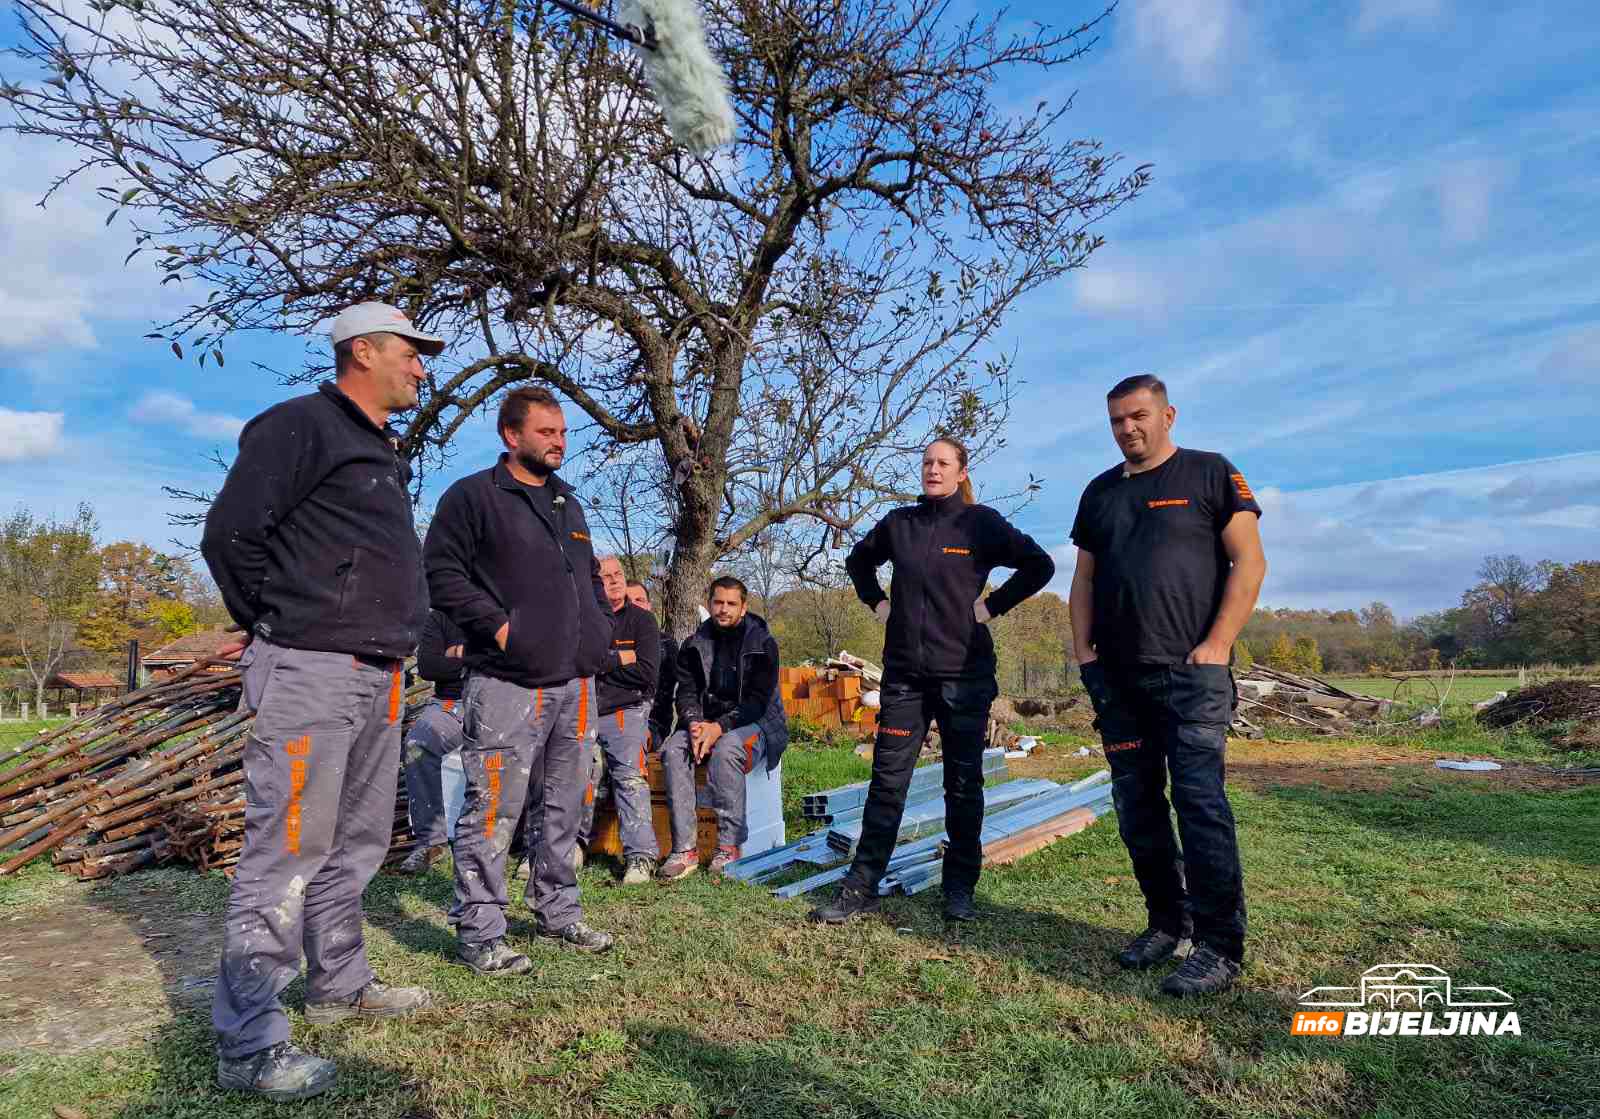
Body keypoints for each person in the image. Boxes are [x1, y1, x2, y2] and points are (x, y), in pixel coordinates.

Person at [199, 301, 440, 1101]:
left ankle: (338, 982)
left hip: (378, 674)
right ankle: (250, 1042)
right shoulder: (299, 424)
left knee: (358, 841)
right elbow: (230, 535)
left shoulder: (380, 447)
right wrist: (279, 621)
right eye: (412, 351)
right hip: (311, 669)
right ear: (363, 350)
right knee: (288, 849)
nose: (421, 365)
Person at [1068, 374, 1266, 997]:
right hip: (1118, 682)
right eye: (1117, 421)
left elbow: (1250, 560)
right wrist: (1085, 656)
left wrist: (1217, 646)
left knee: (1201, 805)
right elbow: (1084, 580)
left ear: (1168, 415)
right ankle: (1167, 922)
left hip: (1190, 677)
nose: (1128, 428)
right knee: (1138, 807)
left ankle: (1219, 946)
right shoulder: (1098, 494)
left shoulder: (1210, 473)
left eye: (1139, 416)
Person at [811, 438, 1054, 925]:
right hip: (905, 676)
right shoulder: (901, 524)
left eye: (943, 463)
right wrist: (878, 604)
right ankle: (861, 887)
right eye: (927, 463)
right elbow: (859, 562)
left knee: (963, 784)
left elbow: (1039, 565)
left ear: (962, 472)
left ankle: (959, 887)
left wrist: (990, 607)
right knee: (887, 782)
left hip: (964, 675)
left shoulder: (979, 522)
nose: (933, 470)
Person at [423, 386, 617, 977]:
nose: (559, 442)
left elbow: (585, 580)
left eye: (562, 433)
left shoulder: (568, 505)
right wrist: (501, 629)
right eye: (546, 432)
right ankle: (481, 929)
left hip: (576, 682)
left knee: (565, 803)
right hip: (508, 681)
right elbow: (442, 574)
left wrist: (598, 635)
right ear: (511, 436)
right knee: (495, 806)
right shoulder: (474, 498)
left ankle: (558, 910)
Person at [657, 577, 788, 880]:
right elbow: (686, 692)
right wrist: (692, 723)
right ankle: (684, 849)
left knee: (728, 749)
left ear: (744, 607)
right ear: (710, 602)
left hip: (756, 722)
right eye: (718, 602)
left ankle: (728, 846)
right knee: (674, 750)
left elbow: (758, 701)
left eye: (731, 603)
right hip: (705, 720)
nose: (723, 609)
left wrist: (719, 727)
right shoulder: (694, 644)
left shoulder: (762, 644)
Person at [578, 556, 661, 884]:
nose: (612, 581)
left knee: (629, 773)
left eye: (617, 575)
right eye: (605, 576)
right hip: (587, 709)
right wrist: (616, 659)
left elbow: (646, 673)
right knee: (579, 770)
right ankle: (572, 846)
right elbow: (577, 665)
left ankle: (641, 856)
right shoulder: (584, 620)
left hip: (628, 709)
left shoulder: (642, 621)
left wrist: (600, 664)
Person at [396, 609, 467, 875]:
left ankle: (525, 846)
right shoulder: (440, 617)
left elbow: (518, 659)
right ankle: (431, 843)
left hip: (499, 702)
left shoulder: (508, 607)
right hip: (450, 703)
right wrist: (480, 658)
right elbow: (429, 666)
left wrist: (458, 654)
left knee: (520, 749)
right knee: (418, 743)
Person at [632, 581, 680, 749]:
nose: (635, 606)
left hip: (651, 723)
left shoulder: (666, 644)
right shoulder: (609, 641)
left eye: (639, 600)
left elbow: (666, 696)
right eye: (629, 601)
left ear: (649, 605)